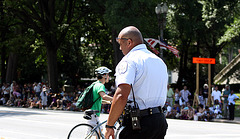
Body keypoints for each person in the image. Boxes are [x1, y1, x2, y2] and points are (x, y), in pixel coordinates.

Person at [105, 26, 168, 139]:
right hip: (159, 120)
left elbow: (121, 95)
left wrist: (110, 125)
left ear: (129, 42)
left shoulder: (129, 61)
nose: (120, 48)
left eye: (120, 43)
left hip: (139, 123)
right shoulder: (159, 61)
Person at [87, 66, 113, 134]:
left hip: (93, 112)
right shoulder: (100, 85)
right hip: (93, 112)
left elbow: (98, 99)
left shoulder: (95, 84)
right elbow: (104, 96)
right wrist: (115, 99)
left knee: (99, 131)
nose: (109, 77)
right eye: (108, 74)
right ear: (104, 75)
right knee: (95, 132)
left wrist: (109, 102)